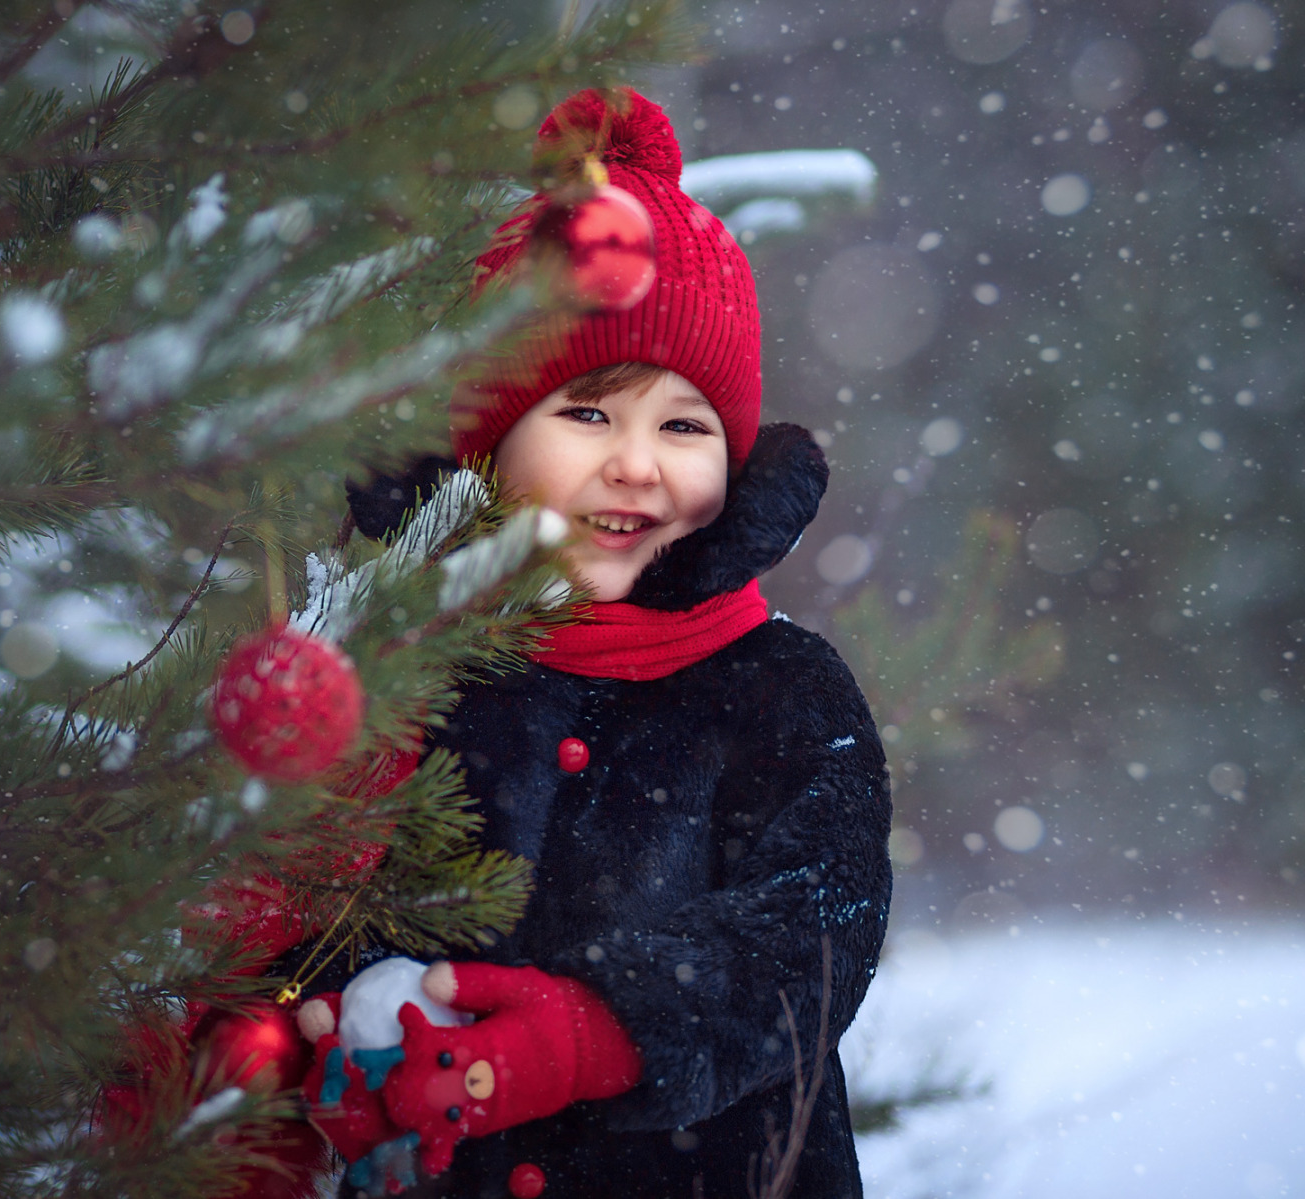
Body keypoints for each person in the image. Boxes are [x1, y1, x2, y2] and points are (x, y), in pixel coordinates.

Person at [305, 87, 893, 1199]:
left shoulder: (779, 688)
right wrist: (327, 1038)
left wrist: (593, 1030)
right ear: (489, 436)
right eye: (587, 412)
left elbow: (816, 933)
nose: (637, 464)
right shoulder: (412, 674)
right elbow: (320, 901)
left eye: (685, 425)